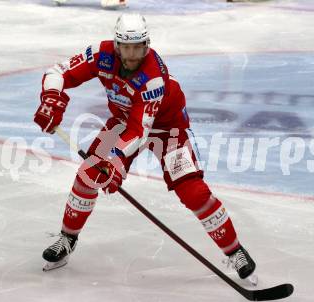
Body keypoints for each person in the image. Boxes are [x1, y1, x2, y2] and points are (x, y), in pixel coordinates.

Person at [33, 13, 256, 281]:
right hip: (122, 122)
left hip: (167, 129)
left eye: (137, 47)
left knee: (193, 191)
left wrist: (114, 160)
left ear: (146, 45)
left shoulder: (152, 78)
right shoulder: (100, 55)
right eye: (126, 47)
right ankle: (67, 239)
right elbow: (57, 72)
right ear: (117, 45)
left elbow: (141, 131)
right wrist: (51, 97)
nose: (131, 54)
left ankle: (234, 251)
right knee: (88, 175)